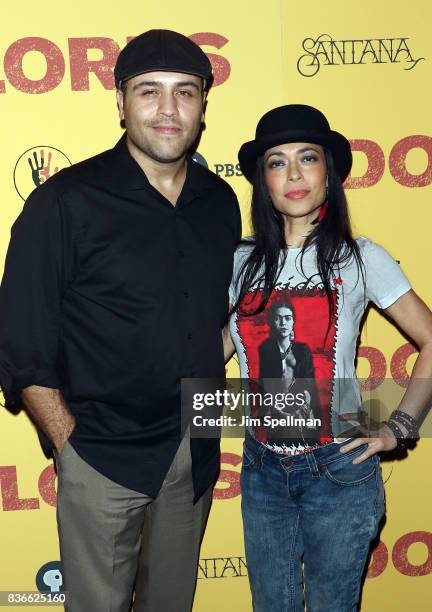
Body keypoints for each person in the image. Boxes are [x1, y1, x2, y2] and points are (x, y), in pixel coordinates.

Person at [0, 29, 241, 612]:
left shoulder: (221, 202)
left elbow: (220, 317)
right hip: (101, 456)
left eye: (185, 92)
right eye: (148, 91)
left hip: (192, 449)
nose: (167, 109)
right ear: (120, 102)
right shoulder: (64, 202)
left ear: (203, 104)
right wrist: (69, 446)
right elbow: (21, 341)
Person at [224, 104, 432, 611]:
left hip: (338, 466)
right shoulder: (238, 260)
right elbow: (215, 351)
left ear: (328, 173)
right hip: (260, 465)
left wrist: (400, 427)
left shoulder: (358, 257)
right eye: (276, 162)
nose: (293, 174)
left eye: (307, 158)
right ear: (262, 180)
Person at [258, 299, 321, 448]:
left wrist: (305, 412)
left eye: (288, 318)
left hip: (301, 410)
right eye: (277, 318)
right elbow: (264, 385)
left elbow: (310, 385)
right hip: (276, 412)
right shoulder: (266, 349)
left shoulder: (302, 350)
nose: (283, 323)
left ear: (293, 322)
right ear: (272, 322)